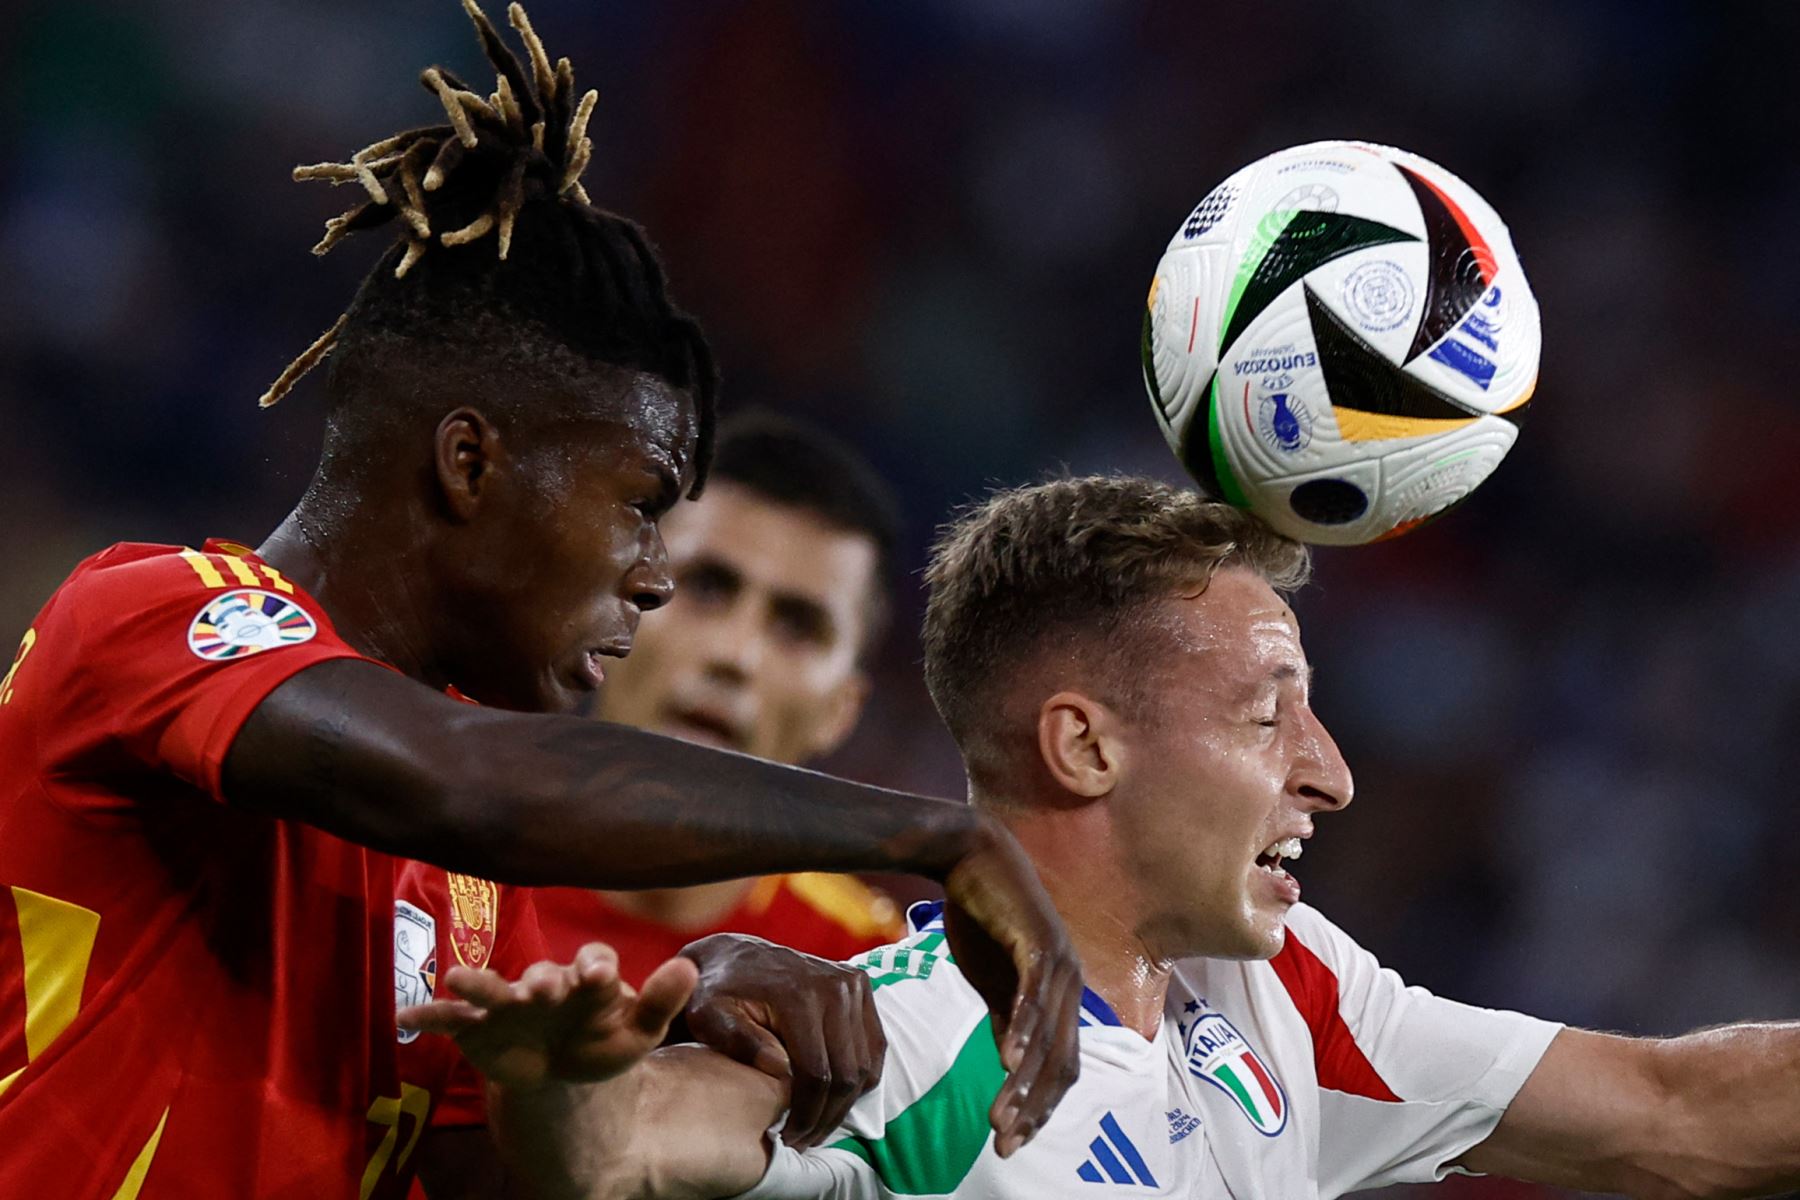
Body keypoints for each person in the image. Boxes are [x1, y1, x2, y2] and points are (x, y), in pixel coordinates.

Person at [0, 7, 1082, 1197]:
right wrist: (936, 833)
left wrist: (660, 1036)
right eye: (640, 503)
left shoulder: (467, 894)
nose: (655, 574)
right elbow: (466, 779)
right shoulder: (150, 617)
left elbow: (499, 1178)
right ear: (473, 466)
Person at [422, 475, 1800, 1200]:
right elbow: (633, 1152)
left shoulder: (1279, 995)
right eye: (1271, 718)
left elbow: (1679, 1120)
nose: (1330, 776)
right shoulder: (909, 1039)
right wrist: (563, 1091)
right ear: (1085, 747)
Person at [535, 413, 906, 986]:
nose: (737, 656)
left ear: (841, 710)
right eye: (706, 587)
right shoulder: (426, 856)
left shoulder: (869, 974)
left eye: (798, 627)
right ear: (607, 610)